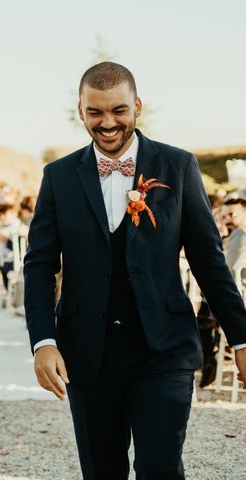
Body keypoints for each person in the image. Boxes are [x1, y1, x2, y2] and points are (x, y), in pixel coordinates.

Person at [24, 62, 246, 479]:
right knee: (101, 471)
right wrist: (43, 341)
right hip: (87, 356)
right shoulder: (57, 176)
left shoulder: (178, 166)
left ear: (137, 106)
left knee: (160, 469)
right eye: (96, 112)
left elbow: (207, 260)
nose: (107, 123)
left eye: (118, 111)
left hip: (163, 350)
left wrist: (242, 337)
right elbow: (38, 264)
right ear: (81, 111)